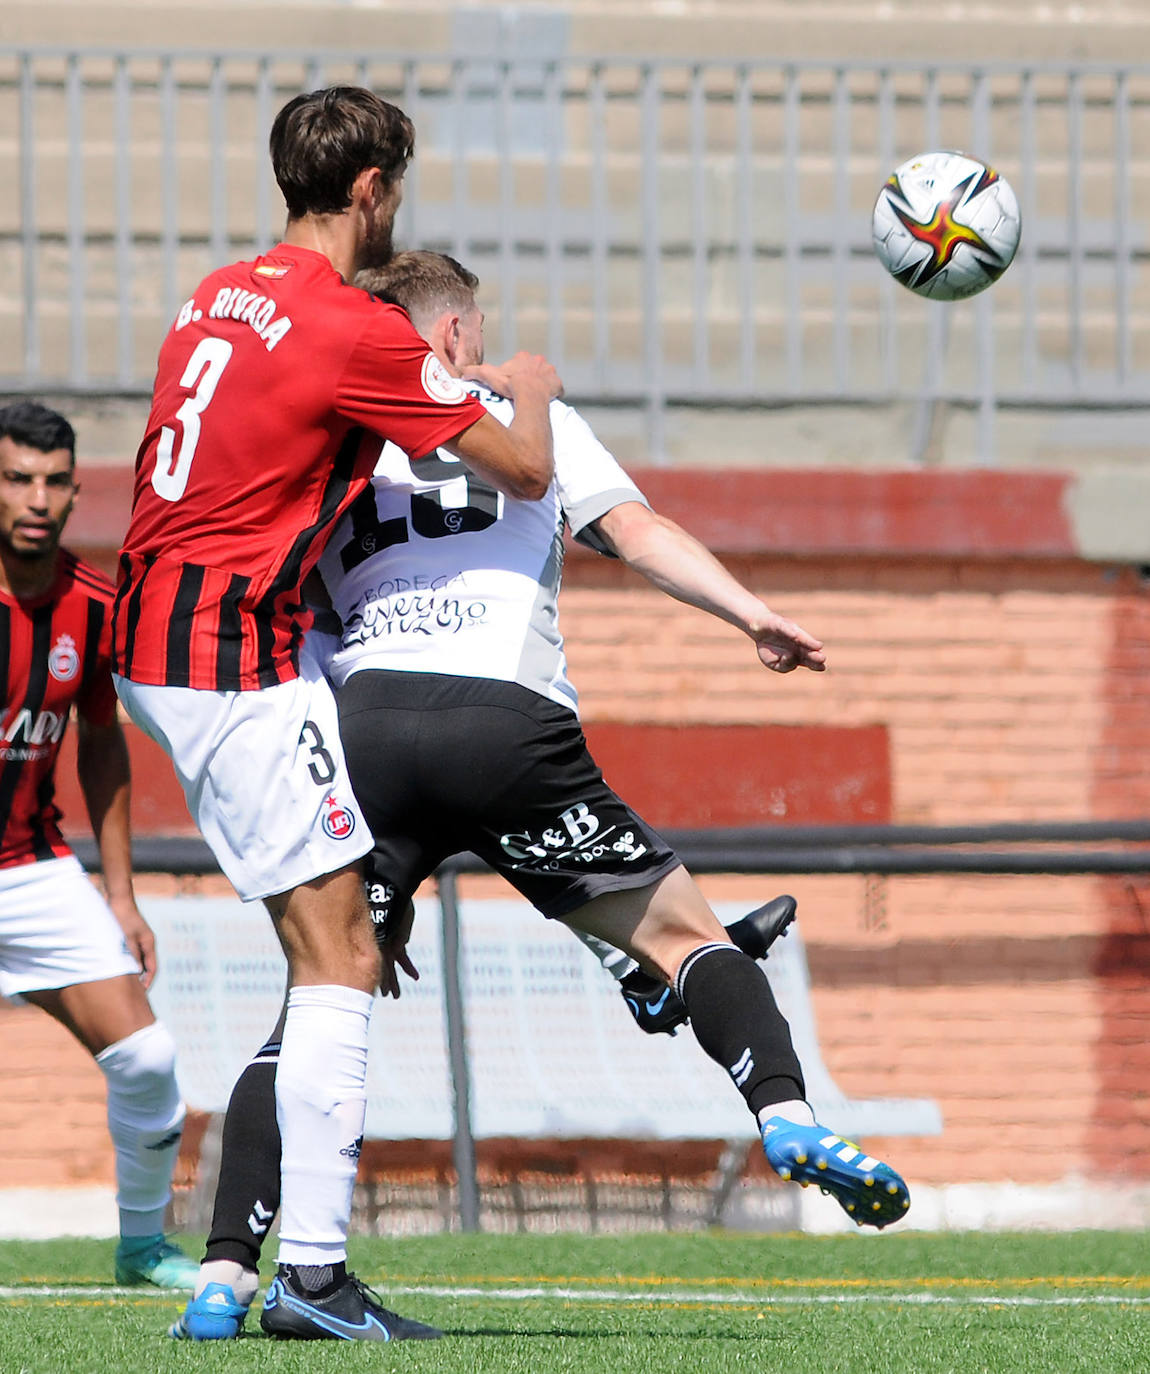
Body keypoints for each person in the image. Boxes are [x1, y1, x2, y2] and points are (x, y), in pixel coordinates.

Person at [170, 251, 911, 1342]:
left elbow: (301, 621)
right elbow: (636, 532)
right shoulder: (519, 412)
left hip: (365, 732)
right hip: (508, 726)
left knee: (316, 1003)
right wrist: (747, 612)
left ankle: (227, 1276)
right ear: (459, 333)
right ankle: (787, 1113)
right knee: (683, 935)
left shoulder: (333, 440)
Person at [110, 89, 560, 1343]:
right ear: (371, 188)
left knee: (335, 934)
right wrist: (519, 387)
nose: (396, 203)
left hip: (167, 626)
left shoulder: (216, 293)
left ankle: (254, 1268)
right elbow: (522, 469)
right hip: (228, 657)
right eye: (397, 185)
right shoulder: (356, 327)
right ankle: (307, 1274)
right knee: (341, 956)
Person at [0, 401, 199, 1289]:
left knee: (149, 1061)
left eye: (51, 482)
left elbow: (103, 742)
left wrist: (120, 896)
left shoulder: (92, 603)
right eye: (16, 480)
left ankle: (143, 1247)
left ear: (76, 491)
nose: (35, 499)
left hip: (35, 870)